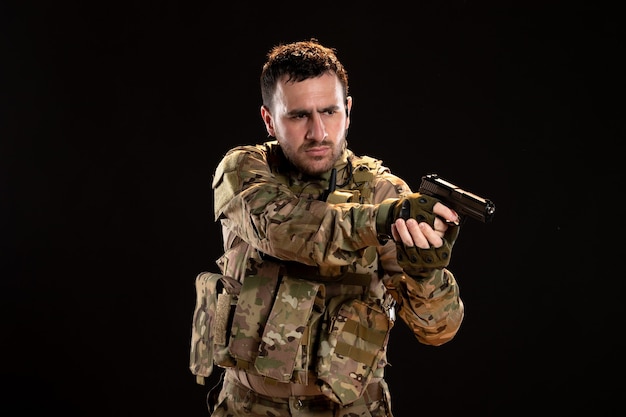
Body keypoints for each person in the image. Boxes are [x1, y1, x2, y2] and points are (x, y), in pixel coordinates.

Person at [192, 38, 465, 417]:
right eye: (299, 115)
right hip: (248, 407)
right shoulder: (245, 171)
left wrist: (425, 273)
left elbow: (439, 330)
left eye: (330, 111)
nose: (319, 132)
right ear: (269, 119)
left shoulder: (382, 191)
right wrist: (380, 220)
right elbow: (283, 228)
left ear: (348, 110)